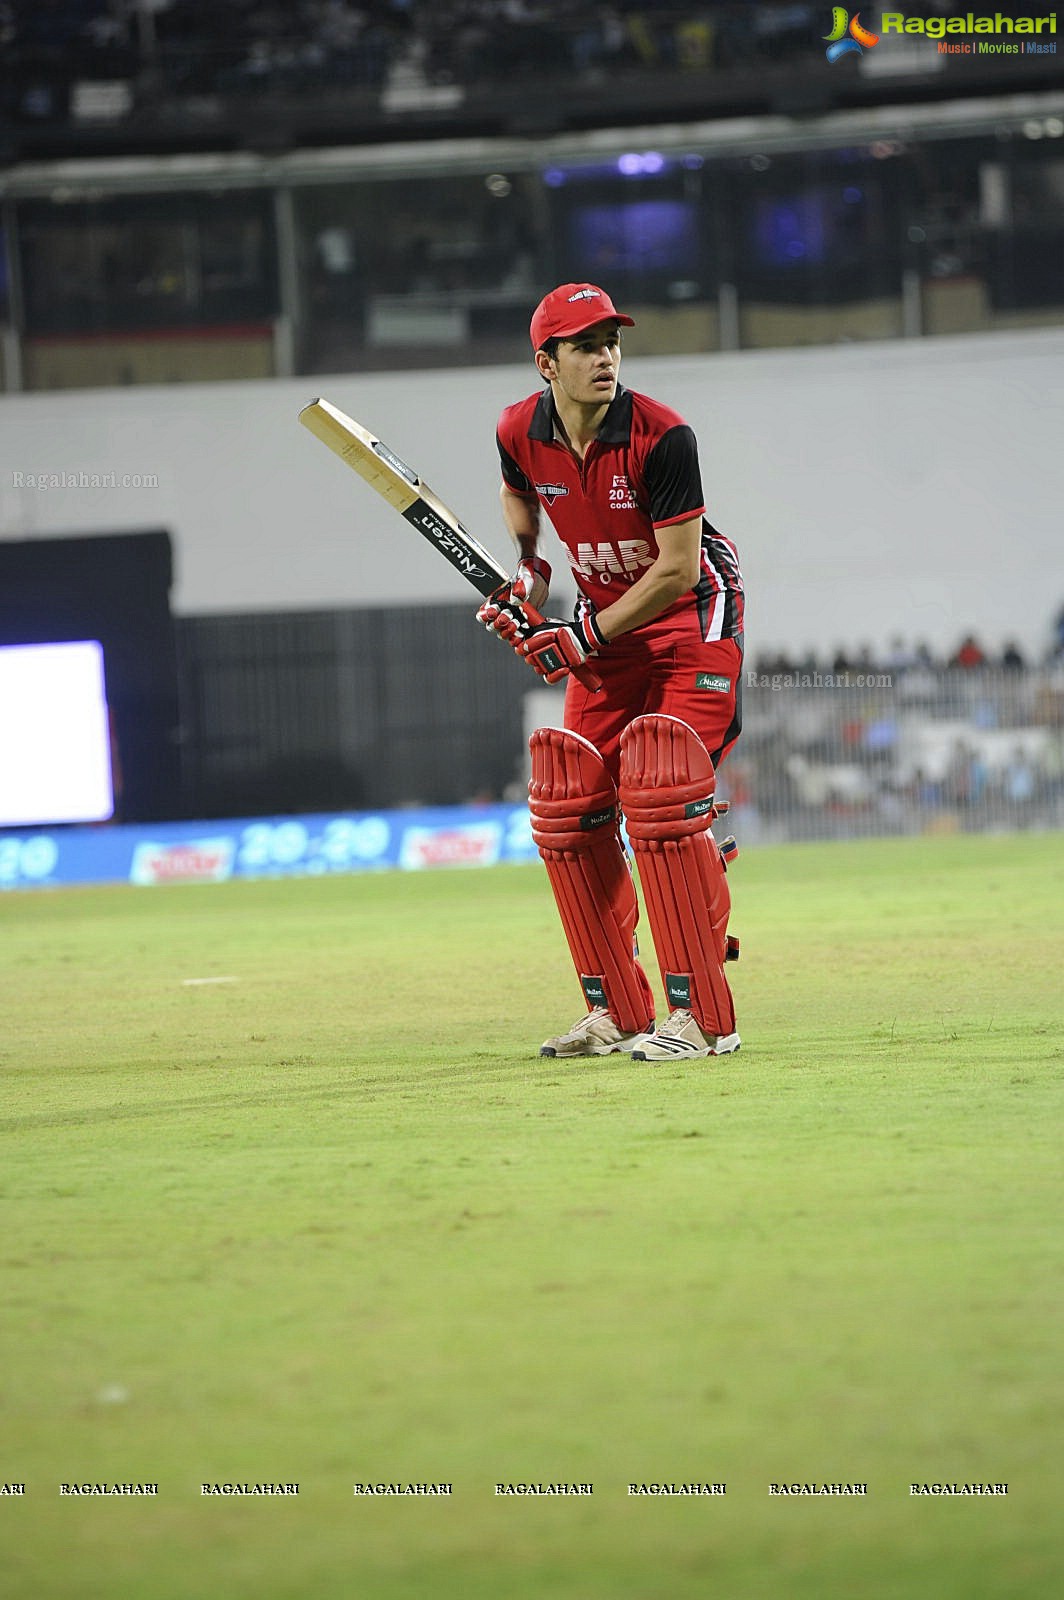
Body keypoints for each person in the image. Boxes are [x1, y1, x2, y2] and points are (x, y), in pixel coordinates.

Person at [478, 282, 745, 1062]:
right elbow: (518, 496)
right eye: (586, 346)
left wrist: (579, 636)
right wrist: (528, 576)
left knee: (661, 791)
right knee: (569, 805)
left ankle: (704, 1019)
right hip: (607, 628)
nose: (606, 358)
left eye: (611, 343)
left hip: (692, 616)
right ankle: (617, 1010)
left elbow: (674, 571)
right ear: (546, 363)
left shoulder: (663, 435)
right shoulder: (516, 429)